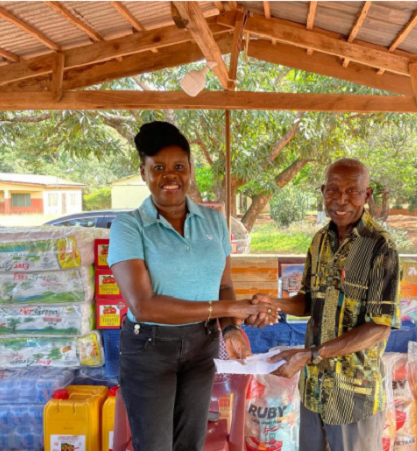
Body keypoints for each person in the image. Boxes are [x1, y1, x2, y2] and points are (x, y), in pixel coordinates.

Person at [108, 121, 278, 451]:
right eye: (158, 167)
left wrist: (229, 330)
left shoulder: (214, 221)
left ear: (190, 170)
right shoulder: (129, 227)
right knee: (155, 446)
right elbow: (144, 305)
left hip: (202, 344)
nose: (170, 176)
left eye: (179, 166)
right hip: (149, 349)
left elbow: (225, 286)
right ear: (143, 173)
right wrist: (228, 310)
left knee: (191, 443)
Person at [251, 158, 400, 451]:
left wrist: (312, 354)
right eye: (332, 190)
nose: (341, 200)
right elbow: (309, 302)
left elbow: (380, 327)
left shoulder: (381, 247)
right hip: (314, 389)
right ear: (322, 191)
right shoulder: (320, 240)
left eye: (352, 191)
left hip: (353, 395)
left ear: (367, 195)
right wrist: (274, 303)